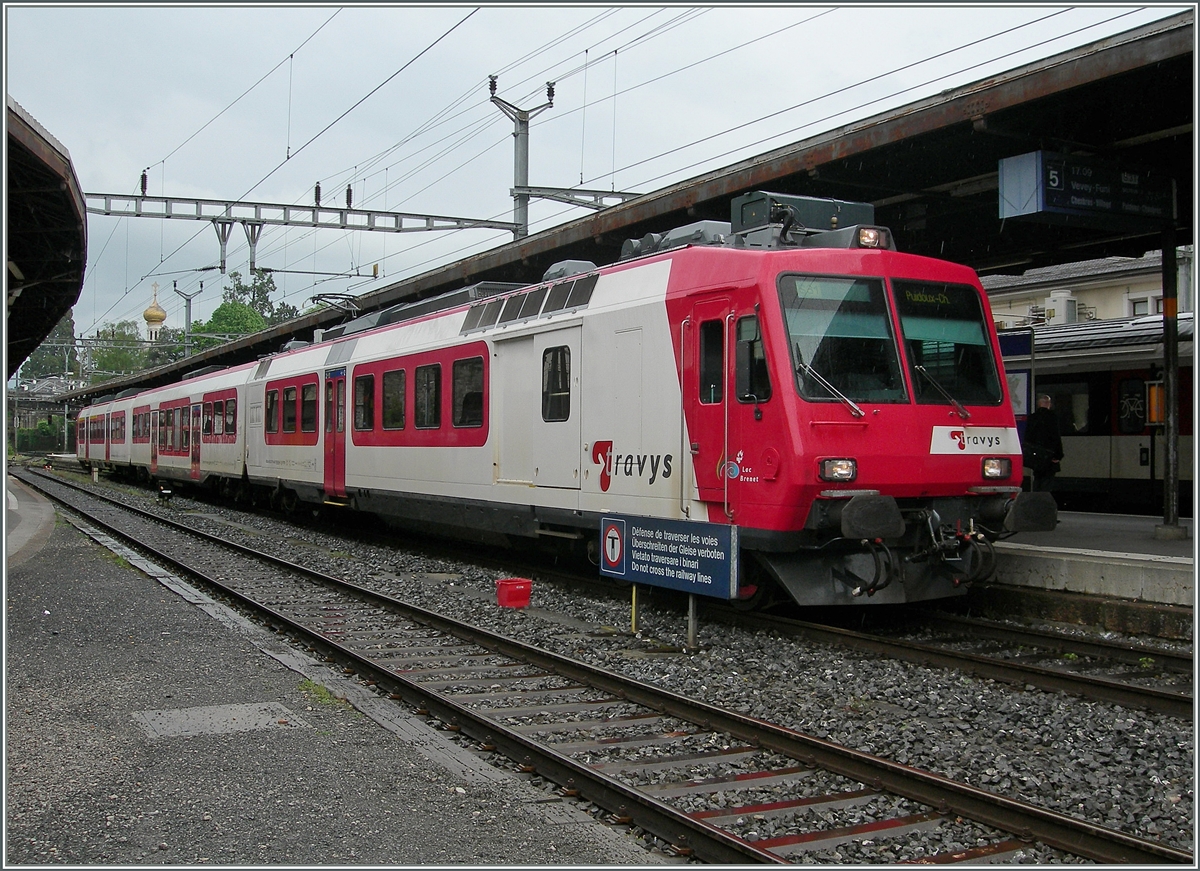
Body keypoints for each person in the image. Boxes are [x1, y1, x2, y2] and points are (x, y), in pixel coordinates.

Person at [1022, 393, 1064, 491]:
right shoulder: (1052, 417)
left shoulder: (1032, 418)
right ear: (1048, 403)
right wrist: (1058, 455)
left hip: (1036, 456)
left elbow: (1028, 437)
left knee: (1038, 478)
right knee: (1047, 481)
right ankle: (1043, 502)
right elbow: (1056, 436)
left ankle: (1036, 500)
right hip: (1049, 455)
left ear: (1038, 403)